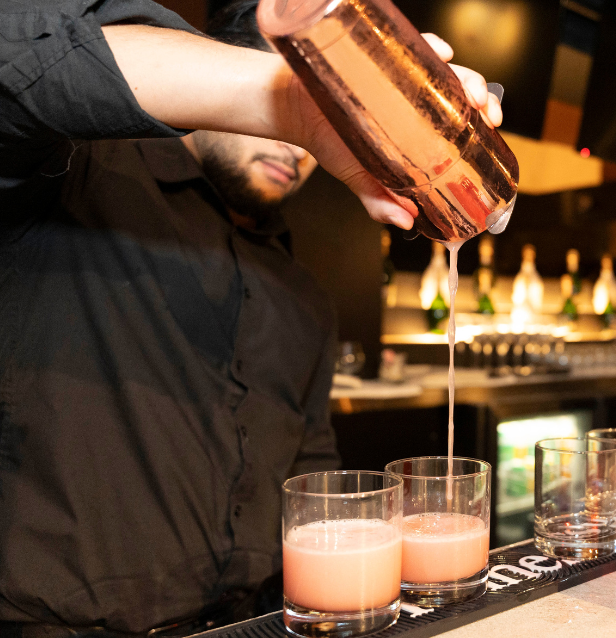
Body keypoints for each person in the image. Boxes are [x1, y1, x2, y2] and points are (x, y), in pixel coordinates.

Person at [0, 0, 503, 635]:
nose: (296, 152)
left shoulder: (303, 296)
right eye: (280, 109)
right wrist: (281, 102)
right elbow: (18, 61)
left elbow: (315, 485)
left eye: (319, 133)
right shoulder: (79, 180)